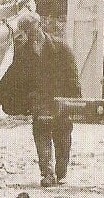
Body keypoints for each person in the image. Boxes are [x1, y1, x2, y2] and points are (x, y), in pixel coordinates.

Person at [31, 14, 83, 185]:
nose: (31, 36)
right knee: (41, 133)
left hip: (61, 99)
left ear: (40, 26)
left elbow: (72, 73)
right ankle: (47, 172)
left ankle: (61, 172)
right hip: (40, 99)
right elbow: (18, 72)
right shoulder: (25, 48)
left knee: (62, 135)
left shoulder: (61, 46)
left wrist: (75, 100)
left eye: (32, 31)